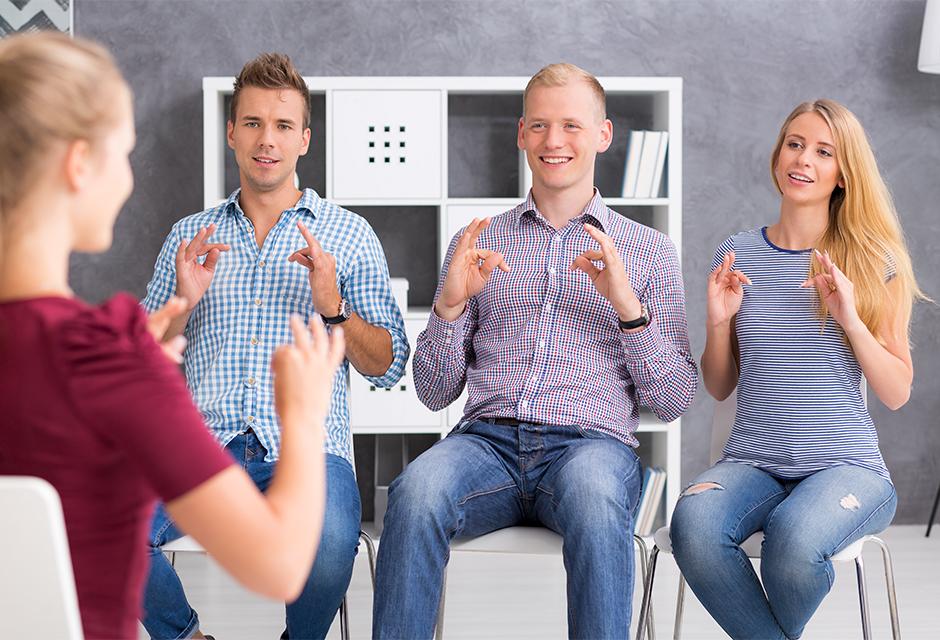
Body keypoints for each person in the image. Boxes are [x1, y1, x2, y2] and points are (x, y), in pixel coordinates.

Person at [0, 32, 345, 640]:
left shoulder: (109, 352)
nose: (129, 180)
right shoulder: (102, 352)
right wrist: (304, 414)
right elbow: (280, 563)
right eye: (123, 154)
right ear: (79, 164)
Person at [371, 63, 698, 639]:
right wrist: (447, 307)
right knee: (415, 493)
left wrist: (628, 309)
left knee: (599, 507)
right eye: (541, 125)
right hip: (486, 445)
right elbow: (433, 391)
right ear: (521, 133)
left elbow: (671, 401)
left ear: (603, 135)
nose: (554, 141)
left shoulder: (649, 251)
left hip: (590, 449)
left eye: (571, 125)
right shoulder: (477, 243)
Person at [140, 52, 409, 639]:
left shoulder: (348, 234)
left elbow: (389, 367)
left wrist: (333, 308)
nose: (268, 140)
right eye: (254, 123)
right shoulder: (190, 236)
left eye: (284, 126)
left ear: (305, 139)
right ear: (232, 131)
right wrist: (180, 303)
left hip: (308, 444)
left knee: (334, 539)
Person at [670, 99, 926, 640]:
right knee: (693, 526)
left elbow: (897, 391)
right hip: (752, 463)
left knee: (793, 539)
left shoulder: (875, 261)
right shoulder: (737, 253)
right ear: (778, 152)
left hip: (846, 468)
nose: (803, 159)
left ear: (842, 173)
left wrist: (851, 321)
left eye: (823, 151)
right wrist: (718, 323)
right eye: (795, 143)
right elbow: (718, 385)